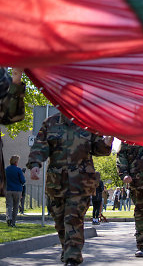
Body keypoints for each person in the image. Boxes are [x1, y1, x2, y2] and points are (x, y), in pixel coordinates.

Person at [27, 112, 113, 266]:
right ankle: (67, 249)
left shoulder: (89, 123)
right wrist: (35, 165)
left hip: (80, 183)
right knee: (60, 221)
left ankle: (73, 256)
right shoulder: (50, 123)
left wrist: (106, 143)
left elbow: (99, 149)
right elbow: (40, 146)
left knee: (73, 218)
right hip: (56, 183)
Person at [0, 68, 25, 197]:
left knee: (11, 207)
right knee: (13, 207)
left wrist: (15, 82)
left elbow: (10, 115)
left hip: (11, 190)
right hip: (16, 190)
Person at [5, 155, 25, 227]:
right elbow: (23, 181)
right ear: (16, 162)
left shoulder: (6, 169)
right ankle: (13, 222)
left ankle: (8, 218)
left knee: (9, 205)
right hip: (17, 190)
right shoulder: (18, 170)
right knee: (15, 206)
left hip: (8, 189)